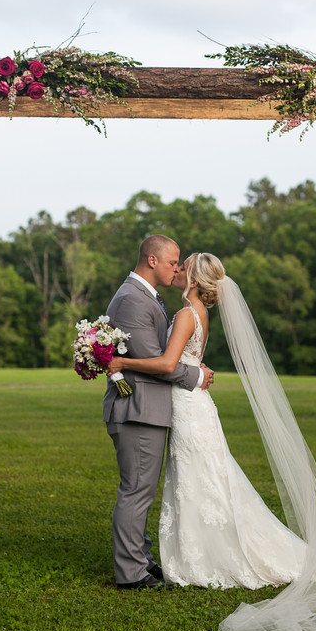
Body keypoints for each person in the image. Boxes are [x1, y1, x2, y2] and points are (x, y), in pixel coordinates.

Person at [107, 252, 316, 631]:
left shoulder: (185, 315)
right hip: (192, 406)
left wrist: (121, 359)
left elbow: (168, 362)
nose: (175, 269)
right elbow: (182, 362)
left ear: (191, 276)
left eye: (182, 264)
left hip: (188, 407)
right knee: (207, 481)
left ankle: (203, 558)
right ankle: (193, 553)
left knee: (201, 482)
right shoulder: (195, 313)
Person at [103, 234, 214, 591]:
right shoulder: (133, 299)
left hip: (147, 407)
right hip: (137, 408)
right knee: (136, 489)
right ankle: (131, 572)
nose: (176, 269)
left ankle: (141, 559)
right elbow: (160, 362)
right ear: (152, 260)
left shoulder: (146, 296)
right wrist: (195, 374)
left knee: (142, 489)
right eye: (172, 263)